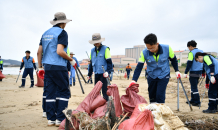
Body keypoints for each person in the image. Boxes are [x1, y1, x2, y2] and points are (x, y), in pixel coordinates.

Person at [37, 12, 76, 126]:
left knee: (50, 92)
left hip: (47, 67)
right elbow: (60, 51)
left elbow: (39, 52)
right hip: (59, 66)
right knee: (64, 91)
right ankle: (60, 119)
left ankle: (51, 119)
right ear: (63, 22)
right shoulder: (62, 33)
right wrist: (70, 60)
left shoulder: (45, 33)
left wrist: (40, 67)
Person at [131, 33, 181, 104]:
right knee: (152, 96)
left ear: (157, 43)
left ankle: (160, 111)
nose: (150, 50)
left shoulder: (167, 48)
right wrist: (134, 80)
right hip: (151, 75)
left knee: (160, 95)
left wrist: (177, 71)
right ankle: (153, 112)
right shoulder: (144, 52)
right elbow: (139, 67)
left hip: (164, 74)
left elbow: (173, 60)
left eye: (152, 48)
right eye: (148, 48)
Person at [87, 33, 113, 101]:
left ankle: (106, 105)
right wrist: (89, 74)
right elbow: (91, 63)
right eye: (95, 42)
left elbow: (109, 62)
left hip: (104, 74)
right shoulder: (92, 51)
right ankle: (97, 106)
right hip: (96, 73)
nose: (96, 43)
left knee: (104, 90)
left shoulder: (106, 49)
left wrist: (108, 72)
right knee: (96, 90)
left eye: (97, 42)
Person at [183, 40, 204, 106]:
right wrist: (203, 72)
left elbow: (189, 63)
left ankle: (197, 101)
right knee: (193, 86)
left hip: (193, 72)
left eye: (188, 47)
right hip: (200, 71)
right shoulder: (202, 51)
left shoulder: (191, 53)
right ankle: (193, 100)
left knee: (194, 87)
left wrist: (186, 72)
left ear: (191, 46)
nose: (188, 49)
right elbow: (204, 63)